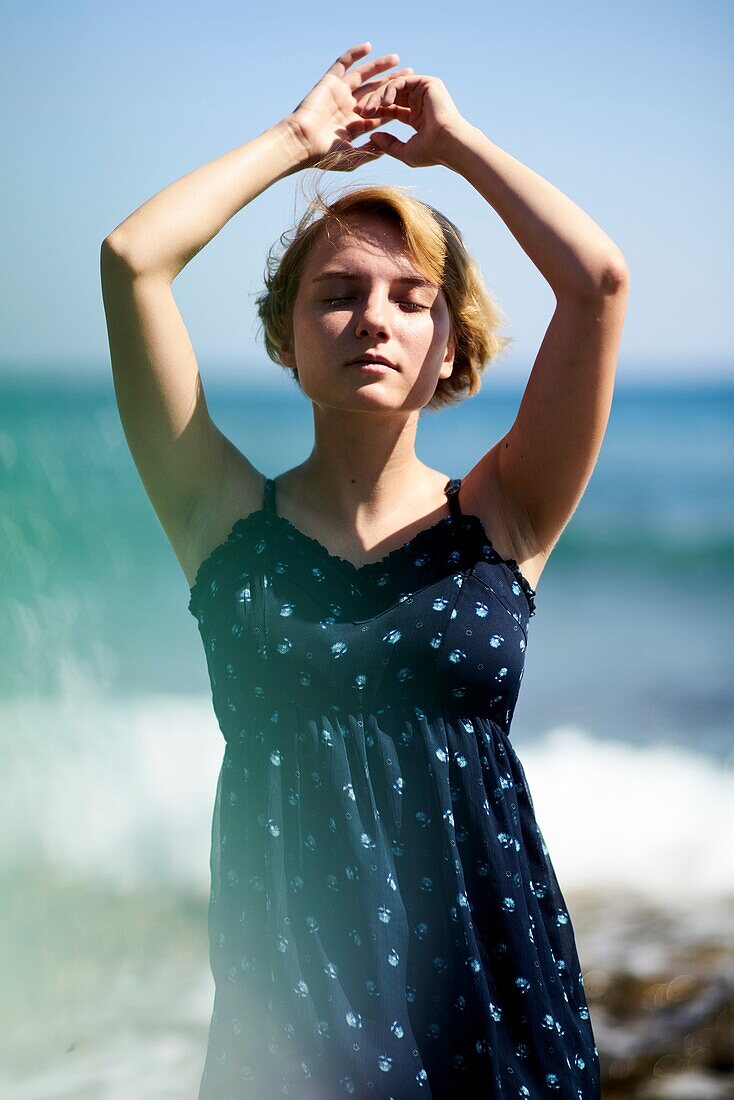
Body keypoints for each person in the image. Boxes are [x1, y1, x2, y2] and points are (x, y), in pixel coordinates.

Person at [101, 40, 629, 1099]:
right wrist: (300, 143)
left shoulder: (505, 514)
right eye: (335, 294)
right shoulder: (220, 517)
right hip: (288, 1010)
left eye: (408, 296)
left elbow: (597, 283)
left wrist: (457, 145)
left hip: (494, 988)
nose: (372, 319)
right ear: (286, 341)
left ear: (451, 343)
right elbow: (132, 260)